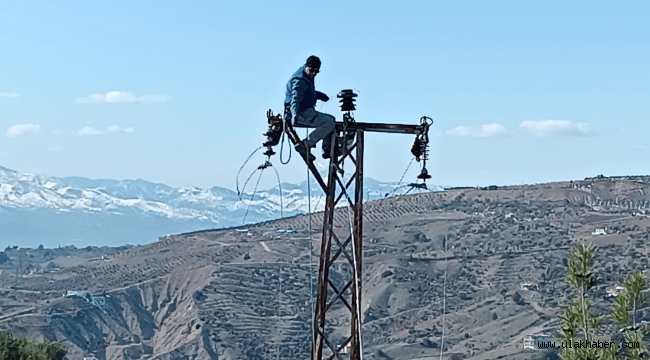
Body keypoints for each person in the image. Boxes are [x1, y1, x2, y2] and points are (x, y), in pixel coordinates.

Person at [284, 55, 338, 161]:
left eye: (316, 72)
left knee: (330, 121)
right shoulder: (299, 80)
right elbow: (295, 98)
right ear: (306, 66)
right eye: (312, 70)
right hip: (301, 112)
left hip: (305, 110)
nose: (313, 74)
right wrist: (295, 115)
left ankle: (327, 149)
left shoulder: (307, 76)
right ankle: (307, 144)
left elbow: (306, 92)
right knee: (329, 122)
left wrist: (317, 95)